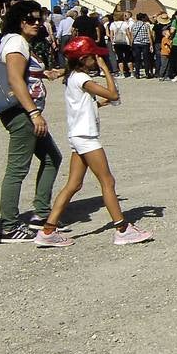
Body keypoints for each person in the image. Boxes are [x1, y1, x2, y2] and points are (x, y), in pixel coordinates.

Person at [36, 36, 152, 247]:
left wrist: (99, 105)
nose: (96, 58)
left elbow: (81, 107)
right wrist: (105, 68)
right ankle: (122, 229)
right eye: (93, 56)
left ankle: (48, 230)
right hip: (87, 138)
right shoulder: (82, 78)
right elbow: (114, 93)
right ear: (83, 58)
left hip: (78, 135)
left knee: (74, 184)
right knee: (107, 182)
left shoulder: (72, 77)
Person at [0, 1, 66, 244]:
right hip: (23, 114)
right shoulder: (16, 42)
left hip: (25, 113)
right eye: (30, 19)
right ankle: (10, 226)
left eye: (39, 19)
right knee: (17, 169)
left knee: (51, 158)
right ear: (18, 20)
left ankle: (42, 213)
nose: (37, 23)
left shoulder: (14, 42)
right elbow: (15, 79)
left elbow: (23, 73)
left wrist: (44, 73)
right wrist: (34, 113)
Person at [130, 12, 153, 78]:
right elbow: (149, 35)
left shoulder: (133, 25)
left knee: (137, 59)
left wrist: (131, 44)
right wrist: (151, 44)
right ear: (143, 18)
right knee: (146, 59)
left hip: (136, 43)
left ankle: (137, 73)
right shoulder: (146, 25)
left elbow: (132, 36)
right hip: (145, 43)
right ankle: (147, 73)